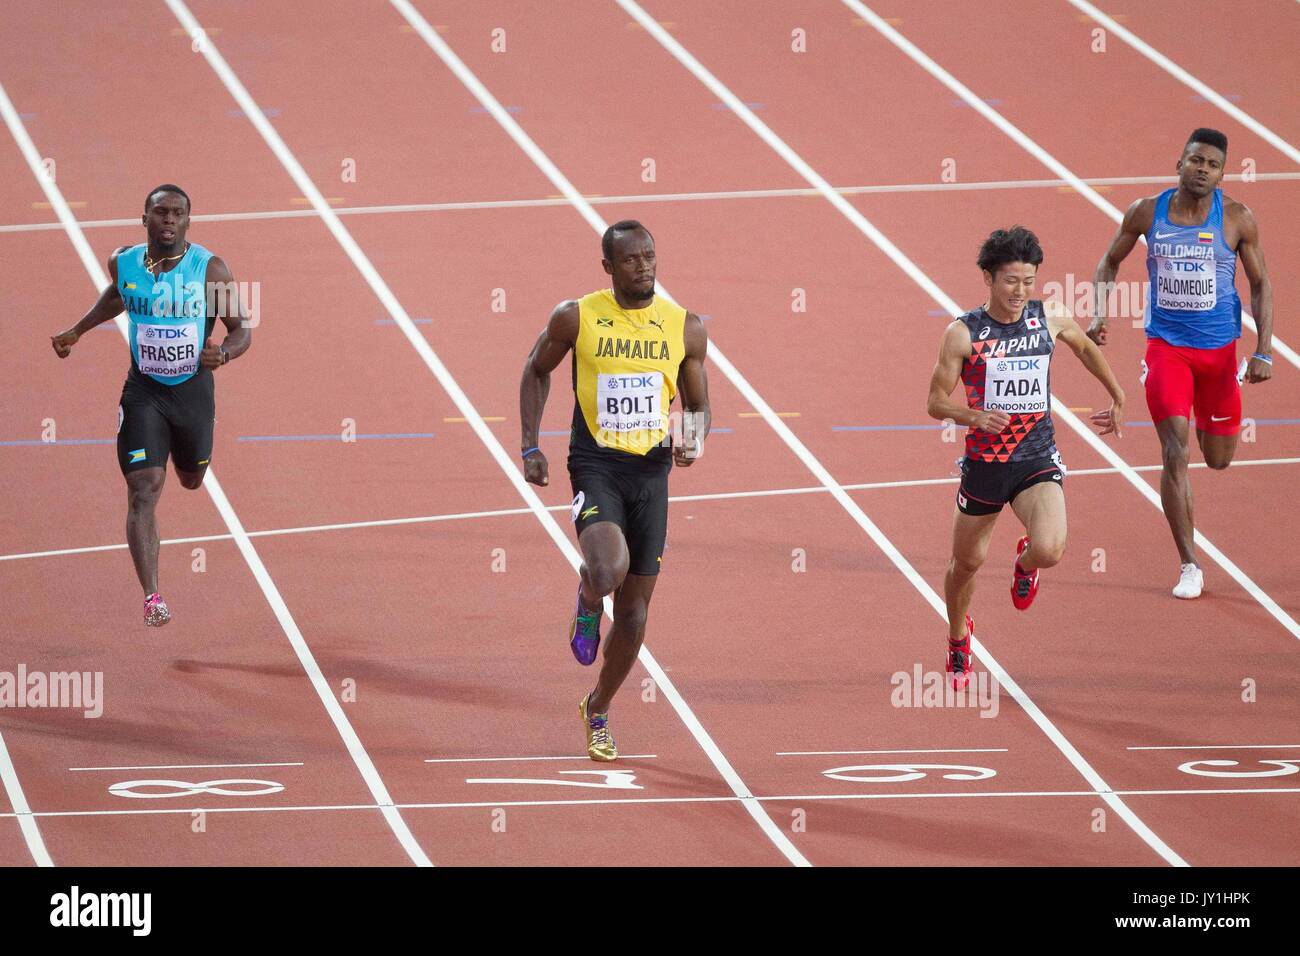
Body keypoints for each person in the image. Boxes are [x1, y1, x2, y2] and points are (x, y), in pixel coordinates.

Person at [520, 220, 710, 760]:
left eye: (650, 256)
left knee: (634, 616)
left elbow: (697, 404)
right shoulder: (577, 316)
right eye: (630, 259)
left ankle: (598, 707)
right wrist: (530, 446)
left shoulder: (684, 326)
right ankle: (586, 597)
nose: (644, 266)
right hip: (595, 463)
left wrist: (691, 439)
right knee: (606, 571)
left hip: (651, 474)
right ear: (608, 267)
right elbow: (536, 369)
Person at [927, 226, 1125, 689]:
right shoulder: (962, 334)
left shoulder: (1048, 316)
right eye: (1011, 281)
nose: (1020, 291)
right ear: (989, 279)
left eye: (1028, 280)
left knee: (1052, 548)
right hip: (985, 466)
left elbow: (1083, 346)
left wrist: (1116, 395)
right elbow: (935, 402)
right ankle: (959, 635)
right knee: (966, 565)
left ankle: (1027, 563)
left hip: (1036, 457)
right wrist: (972, 417)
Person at [51, 185, 251, 626]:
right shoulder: (122, 262)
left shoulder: (209, 270)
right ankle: (152, 596)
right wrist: (77, 331)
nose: (169, 220)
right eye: (160, 212)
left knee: (192, 478)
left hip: (193, 392)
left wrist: (226, 353)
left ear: (187, 222)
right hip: (144, 393)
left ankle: (187, 462)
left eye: (178, 214)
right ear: (144, 218)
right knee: (144, 488)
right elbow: (118, 295)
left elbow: (241, 328)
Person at [1089, 128, 1273, 599]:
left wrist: (1263, 350)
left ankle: (1218, 405)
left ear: (1222, 173)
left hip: (1219, 356)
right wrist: (1100, 313)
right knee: (1176, 449)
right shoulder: (1148, 211)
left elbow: (1260, 284)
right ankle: (1190, 562)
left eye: (1212, 164)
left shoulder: (1236, 219)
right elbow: (1109, 261)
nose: (1202, 169)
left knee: (1217, 460)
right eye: (1195, 161)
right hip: (1166, 349)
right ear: (1180, 163)